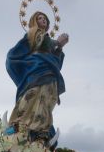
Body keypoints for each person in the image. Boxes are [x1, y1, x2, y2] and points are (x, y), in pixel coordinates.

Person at [6, 11, 69, 141]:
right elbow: (40, 46)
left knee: (45, 104)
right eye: (40, 18)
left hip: (50, 76)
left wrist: (59, 47)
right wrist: (57, 42)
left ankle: (41, 133)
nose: (43, 20)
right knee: (29, 100)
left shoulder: (48, 39)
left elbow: (55, 62)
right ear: (34, 22)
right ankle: (19, 129)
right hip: (35, 74)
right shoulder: (33, 35)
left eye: (45, 18)